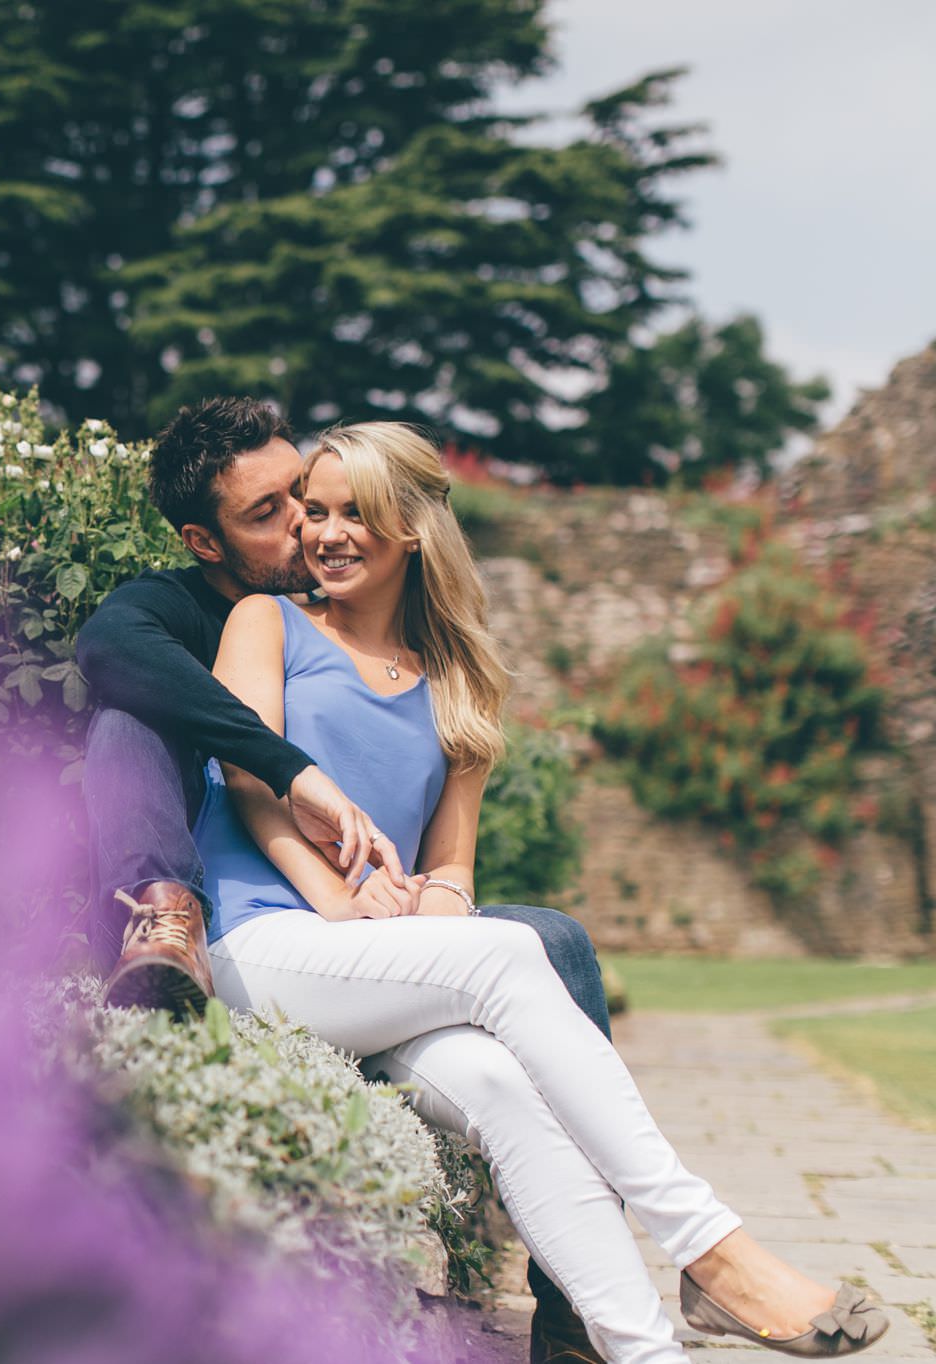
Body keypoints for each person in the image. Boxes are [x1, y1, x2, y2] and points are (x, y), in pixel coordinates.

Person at [194, 420, 887, 1362]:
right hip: (258, 946)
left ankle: (645, 1351)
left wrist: (431, 908)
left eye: (357, 513)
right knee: (515, 953)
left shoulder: (457, 680)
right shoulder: (265, 624)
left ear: (411, 529)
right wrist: (336, 901)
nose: (326, 533)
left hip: (374, 968)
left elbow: (452, 868)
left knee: (506, 1090)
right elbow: (247, 781)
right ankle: (712, 1251)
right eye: (314, 512)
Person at [77, 397, 615, 1360]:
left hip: (378, 904)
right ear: (204, 540)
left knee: (560, 939)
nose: (306, 523)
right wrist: (292, 776)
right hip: (254, 908)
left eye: (311, 494)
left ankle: (573, 1309)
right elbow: (110, 654)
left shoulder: (416, 649)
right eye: (270, 512)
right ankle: (163, 929)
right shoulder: (203, 612)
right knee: (127, 713)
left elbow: (451, 842)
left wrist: (427, 895)